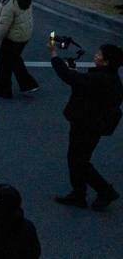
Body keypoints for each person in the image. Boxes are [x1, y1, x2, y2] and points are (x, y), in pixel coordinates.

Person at [49, 39, 122, 210]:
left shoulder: (100, 78)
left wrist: (54, 55)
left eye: (99, 54)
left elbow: (70, 78)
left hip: (86, 124)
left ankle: (102, 191)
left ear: (106, 61)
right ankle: (80, 193)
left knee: (78, 161)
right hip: (92, 124)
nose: (95, 56)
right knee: (79, 159)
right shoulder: (110, 79)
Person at [0, 0, 37, 98]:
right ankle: (28, 84)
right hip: (24, 35)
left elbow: (4, 26)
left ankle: (2, 90)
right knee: (14, 59)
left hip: (13, 38)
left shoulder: (11, 3)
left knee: (3, 64)